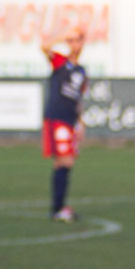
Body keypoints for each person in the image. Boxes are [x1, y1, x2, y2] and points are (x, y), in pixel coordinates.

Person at [42, 28, 91, 222]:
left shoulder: (81, 71)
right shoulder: (61, 62)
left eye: (78, 40)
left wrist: (80, 122)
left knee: (63, 162)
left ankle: (58, 208)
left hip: (70, 120)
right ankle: (58, 208)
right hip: (57, 117)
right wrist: (62, 36)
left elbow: (78, 98)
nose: (74, 44)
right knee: (66, 161)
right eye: (71, 41)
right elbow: (44, 47)